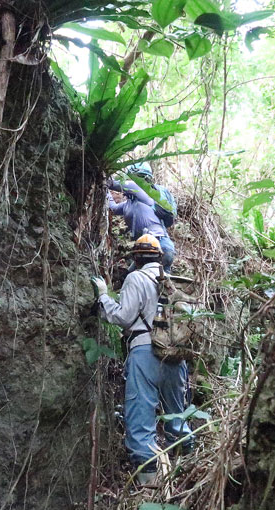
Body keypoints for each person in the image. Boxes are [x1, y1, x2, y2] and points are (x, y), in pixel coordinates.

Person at [90, 235, 193, 485]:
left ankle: (150, 483)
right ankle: (188, 472)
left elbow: (124, 317)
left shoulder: (135, 277)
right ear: (160, 257)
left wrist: (104, 296)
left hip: (144, 352)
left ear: (136, 258)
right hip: (175, 357)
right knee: (177, 414)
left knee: (140, 415)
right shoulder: (174, 283)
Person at [107, 162, 176, 273]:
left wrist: (105, 178)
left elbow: (113, 184)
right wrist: (106, 192)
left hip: (156, 246)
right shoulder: (128, 204)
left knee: (137, 280)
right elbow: (113, 208)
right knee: (157, 285)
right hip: (154, 248)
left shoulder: (143, 192)